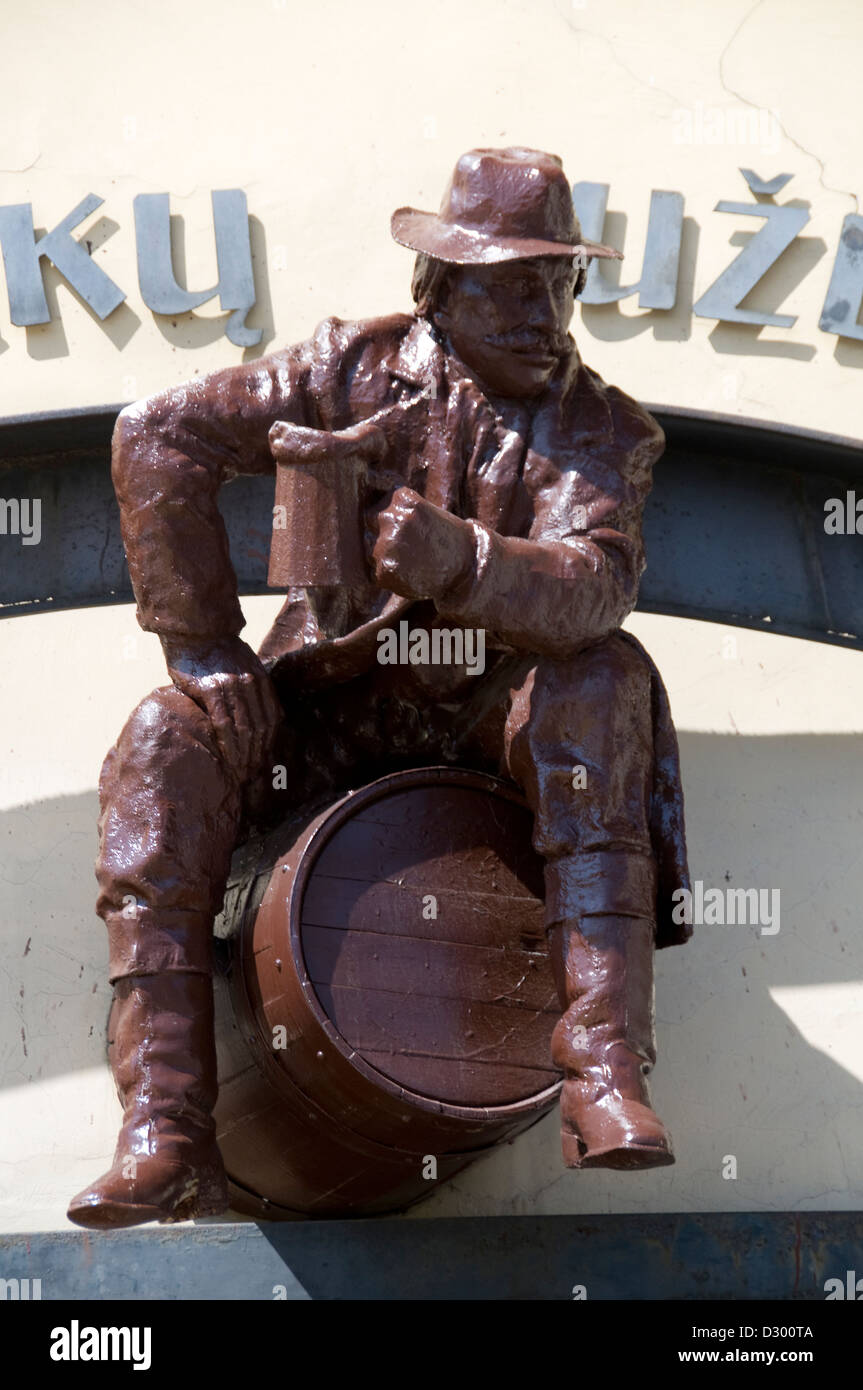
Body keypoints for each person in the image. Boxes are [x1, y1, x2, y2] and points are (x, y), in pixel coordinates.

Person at [67, 147, 691, 1230]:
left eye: (557, 283)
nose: (542, 312)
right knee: (166, 740)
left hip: (488, 714)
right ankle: (162, 1126)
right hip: (325, 710)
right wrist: (204, 645)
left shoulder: (603, 431)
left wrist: (460, 561)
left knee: (598, 680)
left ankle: (599, 1068)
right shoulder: (344, 369)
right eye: (509, 283)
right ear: (442, 288)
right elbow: (154, 434)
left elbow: (593, 584)